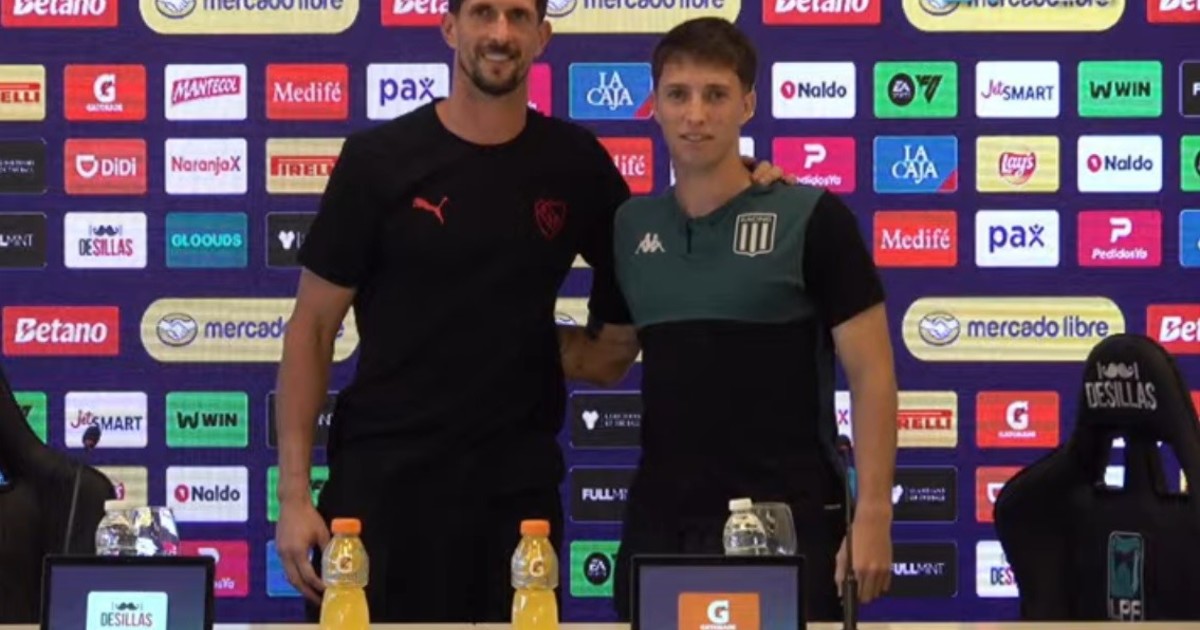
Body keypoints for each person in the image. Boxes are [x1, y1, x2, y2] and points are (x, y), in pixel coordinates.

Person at [271, 0, 790, 621]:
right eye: (483, 13)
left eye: (518, 16)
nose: (500, 33)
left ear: (542, 36)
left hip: (516, 501)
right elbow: (312, 329)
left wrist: (744, 187)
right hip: (382, 489)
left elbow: (654, 265)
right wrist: (294, 495)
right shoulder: (377, 161)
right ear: (450, 27)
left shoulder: (575, 164)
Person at [609, 17, 899, 622]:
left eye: (715, 95)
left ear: (747, 104)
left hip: (789, 525)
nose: (695, 115)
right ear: (654, 105)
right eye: (678, 95)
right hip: (664, 529)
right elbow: (605, 354)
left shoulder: (813, 218)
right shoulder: (632, 227)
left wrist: (873, 513)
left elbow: (872, 375)